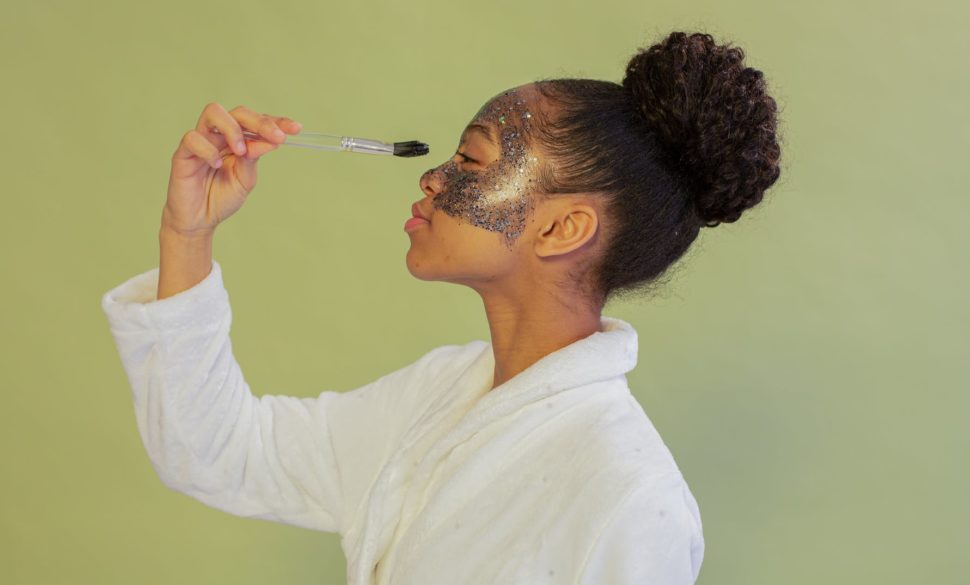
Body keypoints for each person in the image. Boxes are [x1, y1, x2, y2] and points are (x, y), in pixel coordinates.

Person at [101, 30, 782, 585]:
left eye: (471, 159)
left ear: (561, 229)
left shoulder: (631, 500)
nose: (431, 177)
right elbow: (217, 453)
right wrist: (186, 234)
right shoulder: (437, 394)